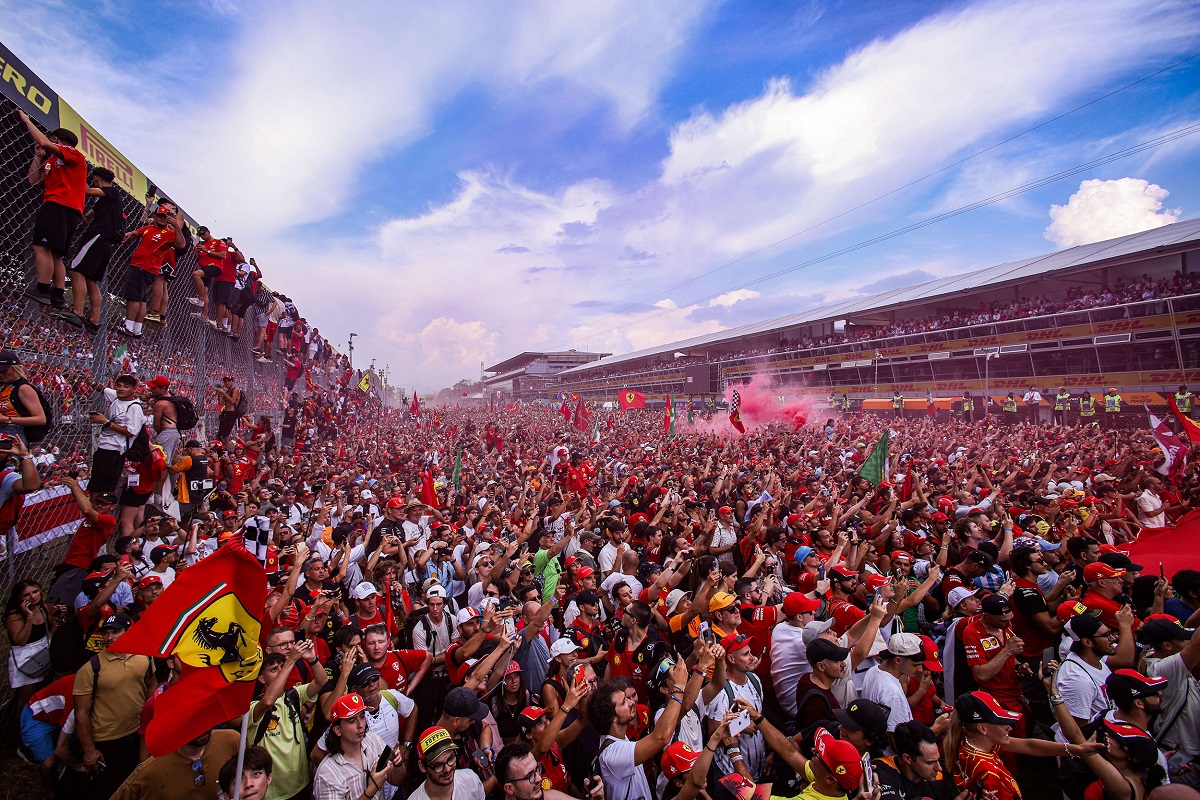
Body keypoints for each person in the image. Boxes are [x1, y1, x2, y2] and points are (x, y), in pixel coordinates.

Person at [73, 612, 157, 799]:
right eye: (106, 633)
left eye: (116, 632)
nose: (109, 637)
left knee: (138, 783)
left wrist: (153, 722)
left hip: (138, 733)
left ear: (130, 631)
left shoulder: (144, 656)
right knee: (110, 790)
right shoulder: (91, 669)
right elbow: (81, 714)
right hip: (108, 740)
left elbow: (151, 686)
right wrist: (89, 751)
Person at [589, 657, 691, 800]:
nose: (631, 703)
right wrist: (678, 688)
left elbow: (684, 708)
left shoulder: (618, 737)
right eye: (623, 702)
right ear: (612, 718)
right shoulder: (612, 754)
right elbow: (660, 738)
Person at [17, 109, 87, 310]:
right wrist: (38, 157)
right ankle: (57, 295)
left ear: (56, 139)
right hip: (62, 207)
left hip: (60, 205)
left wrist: (27, 121)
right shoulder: (51, 161)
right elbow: (33, 180)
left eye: (51, 139)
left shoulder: (73, 154)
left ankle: (42, 289)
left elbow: (44, 142)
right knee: (55, 254)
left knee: (41, 247)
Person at [250, 639, 328, 800]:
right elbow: (268, 701)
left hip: (300, 783)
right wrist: (290, 661)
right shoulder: (253, 707)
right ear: (262, 679)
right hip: (271, 792)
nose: (280, 671)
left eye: (281, 667)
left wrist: (312, 659)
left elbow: (322, 681)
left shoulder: (294, 695)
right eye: (273, 669)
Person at [56, 166, 123, 332]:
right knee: (91, 279)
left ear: (96, 179)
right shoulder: (106, 202)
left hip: (97, 236)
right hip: (104, 242)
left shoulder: (112, 192)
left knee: (76, 270)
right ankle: (94, 320)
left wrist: (78, 172)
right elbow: (87, 217)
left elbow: (87, 191)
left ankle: (77, 312)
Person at [1140, 617, 1200, 785]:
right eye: (1183, 640)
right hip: (1182, 760)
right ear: (1167, 645)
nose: (1187, 643)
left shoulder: (1155, 659)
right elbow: (1197, 644)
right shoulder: (1163, 669)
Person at [312, 693, 406, 800]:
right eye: (352, 721)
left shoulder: (372, 740)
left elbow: (397, 780)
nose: (360, 725)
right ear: (337, 730)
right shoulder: (326, 775)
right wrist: (372, 789)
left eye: (362, 716)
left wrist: (398, 764)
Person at [109, 726, 240, 800]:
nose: (202, 725)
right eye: (193, 719)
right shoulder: (149, 771)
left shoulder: (231, 741)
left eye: (205, 715)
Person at [119, 201, 185, 337]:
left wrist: (176, 227)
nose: (162, 218)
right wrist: (125, 236)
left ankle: (128, 325)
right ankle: (137, 329)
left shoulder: (169, 233)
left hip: (145, 267)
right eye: (160, 215)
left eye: (165, 216)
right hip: (140, 266)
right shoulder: (148, 228)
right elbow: (135, 233)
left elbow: (181, 245)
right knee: (141, 299)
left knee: (133, 298)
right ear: (154, 216)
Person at [874, 720, 958, 800]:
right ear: (908, 758)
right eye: (930, 762)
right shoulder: (882, 770)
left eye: (938, 760)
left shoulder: (937, 778)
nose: (939, 768)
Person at [861, 632, 925, 731]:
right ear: (898, 660)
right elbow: (895, 735)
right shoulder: (893, 694)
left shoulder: (873, 670)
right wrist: (936, 729)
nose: (920, 670)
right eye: (915, 665)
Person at [411, 725, 487, 800]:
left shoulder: (471, 780)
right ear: (422, 767)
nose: (447, 769)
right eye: (438, 765)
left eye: (450, 759)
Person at [0, 351, 48, 444]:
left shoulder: (23, 388)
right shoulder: (4, 387)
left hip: (13, 432)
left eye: (4, 371)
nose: (1, 375)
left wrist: (7, 419)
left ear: (15, 368)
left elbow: (40, 419)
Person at [215, 376, 243, 441]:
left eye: (229, 381)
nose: (227, 383)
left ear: (232, 381)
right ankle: (224, 446)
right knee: (222, 436)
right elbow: (221, 402)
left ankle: (224, 446)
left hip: (231, 413)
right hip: (225, 413)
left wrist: (223, 392)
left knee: (224, 435)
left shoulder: (235, 389)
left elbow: (232, 401)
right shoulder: (227, 392)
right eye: (225, 381)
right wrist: (220, 394)